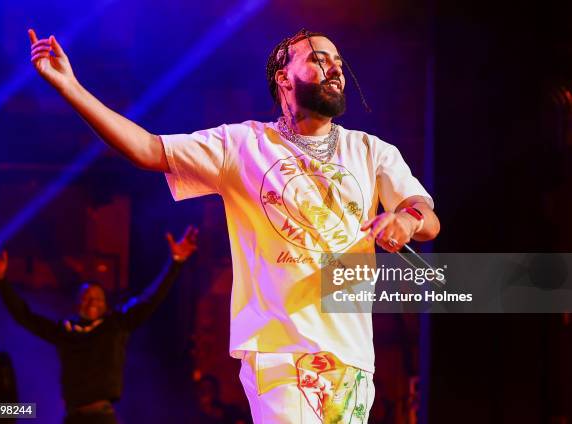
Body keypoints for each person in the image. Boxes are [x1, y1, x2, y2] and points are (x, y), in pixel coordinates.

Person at [27, 27, 440, 423]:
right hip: (282, 354)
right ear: (284, 78)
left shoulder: (370, 151)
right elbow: (148, 149)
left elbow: (425, 215)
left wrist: (406, 219)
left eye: (338, 62)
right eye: (318, 59)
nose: (335, 68)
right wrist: (71, 89)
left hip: (352, 359)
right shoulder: (243, 145)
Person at [0, 226, 198, 424]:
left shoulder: (116, 325)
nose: (92, 301)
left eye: (98, 297)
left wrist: (176, 262)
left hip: (102, 417)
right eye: (87, 297)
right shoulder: (65, 331)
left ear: (105, 305)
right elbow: (24, 316)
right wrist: (1, 282)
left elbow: (151, 298)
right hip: (73, 417)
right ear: (77, 305)